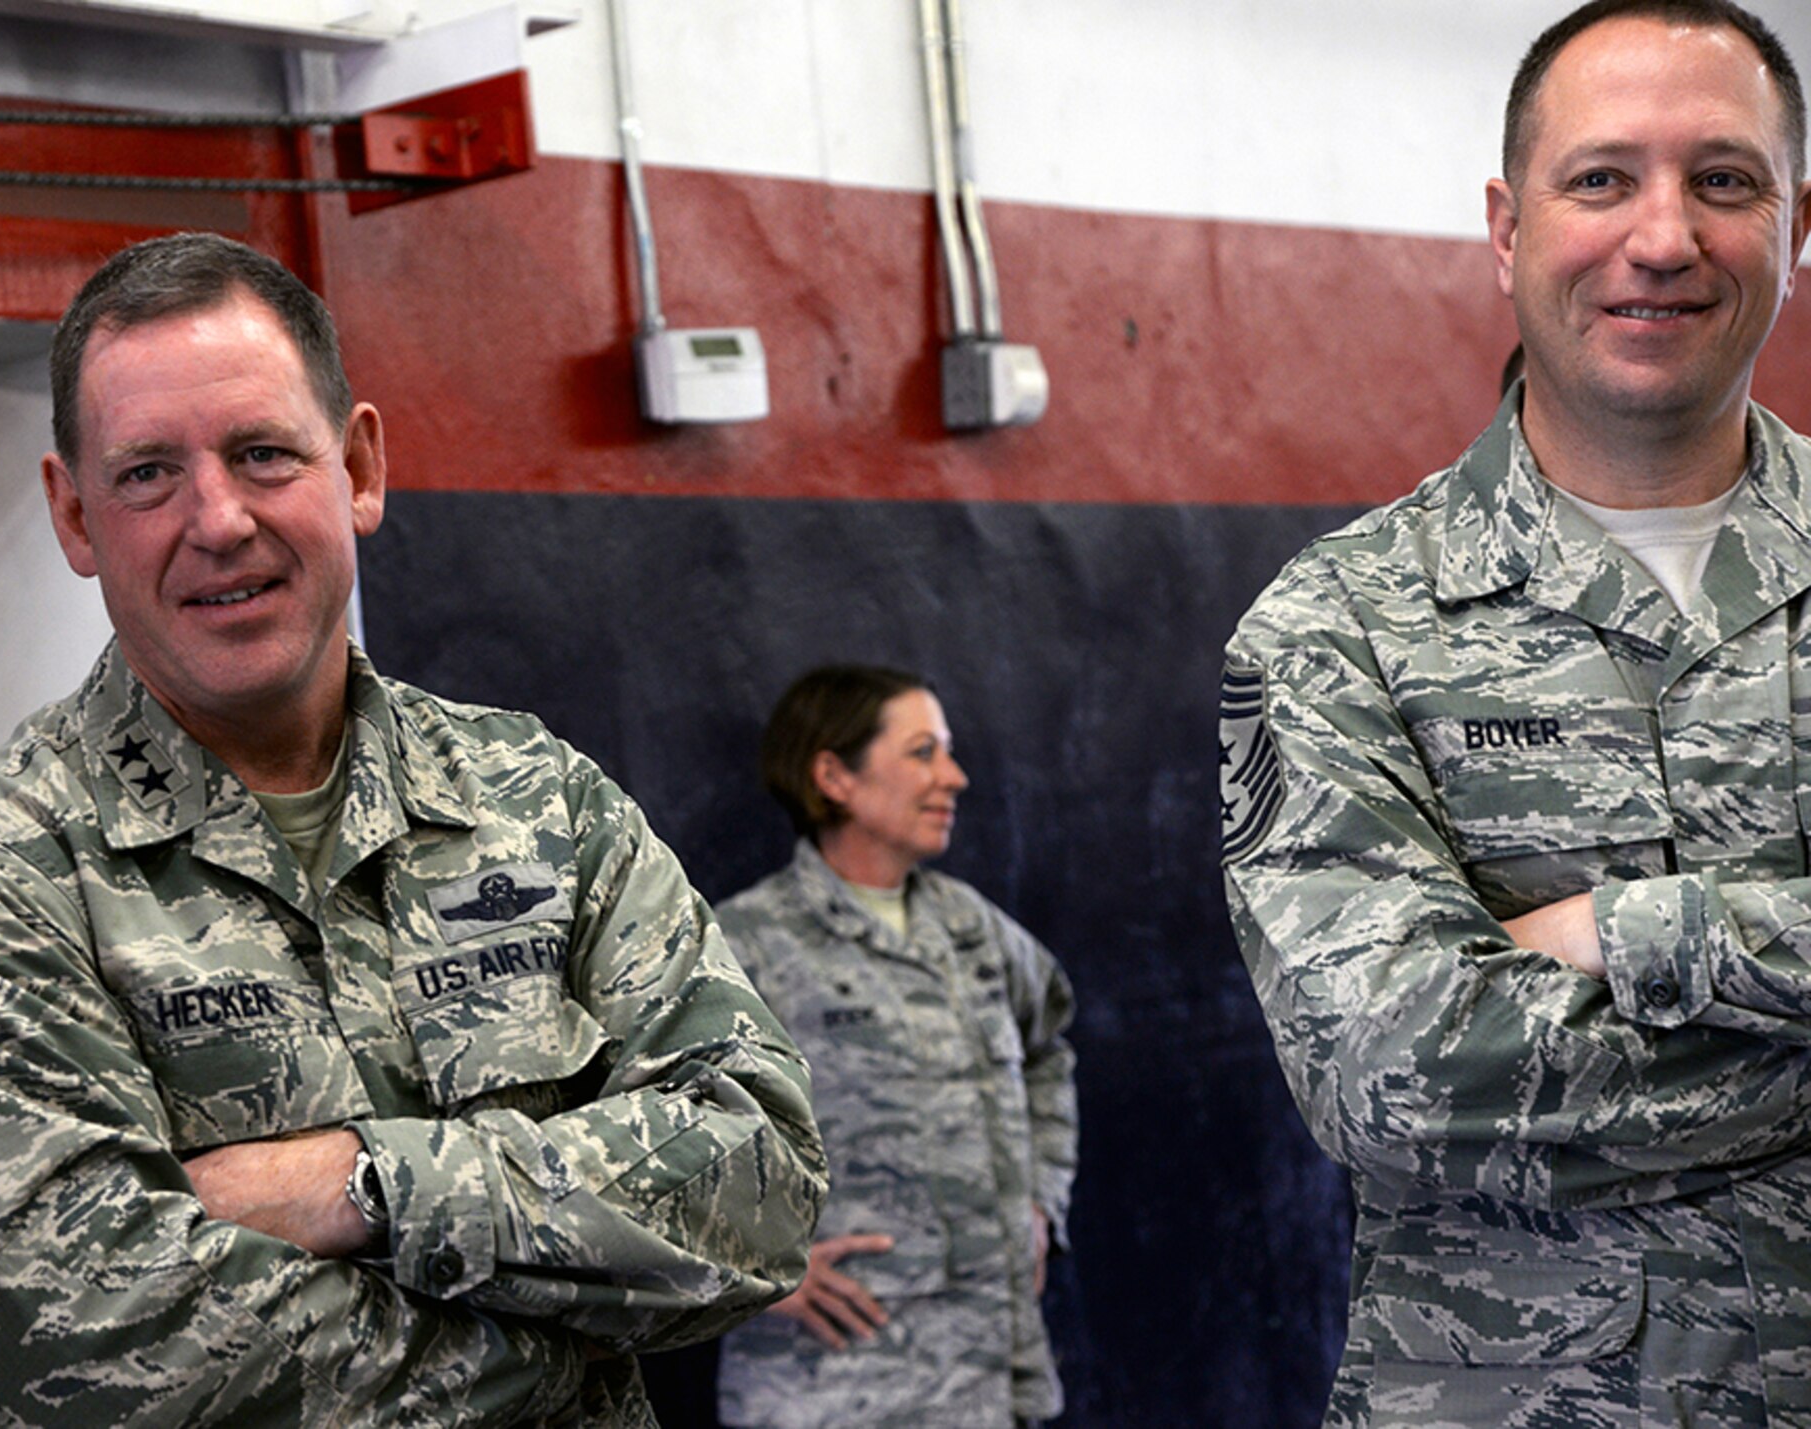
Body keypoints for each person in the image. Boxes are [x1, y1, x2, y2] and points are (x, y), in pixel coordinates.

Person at [0, 232, 826, 1427]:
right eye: (146, 473)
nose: (218, 519)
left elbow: (760, 1186)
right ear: (73, 514)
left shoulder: (538, 800)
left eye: (261, 452)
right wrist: (563, 1358)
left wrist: (361, 1184)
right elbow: (82, 1353)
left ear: (356, 465)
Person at [1221, 2, 1811, 1425]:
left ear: (1799, 224)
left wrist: (1638, 933)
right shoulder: (1340, 626)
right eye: (1601, 177)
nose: (1663, 237)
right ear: (1506, 227)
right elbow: (1394, 1083)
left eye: (1724, 180)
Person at [711, 666, 1077, 1429]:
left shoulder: (970, 928)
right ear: (834, 774)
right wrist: (750, 1266)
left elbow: (1049, 1047)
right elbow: (647, 1132)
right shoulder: (748, 944)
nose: (955, 776)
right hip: (838, 1392)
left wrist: (1043, 1199)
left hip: (994, 1380)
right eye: (923, 752)